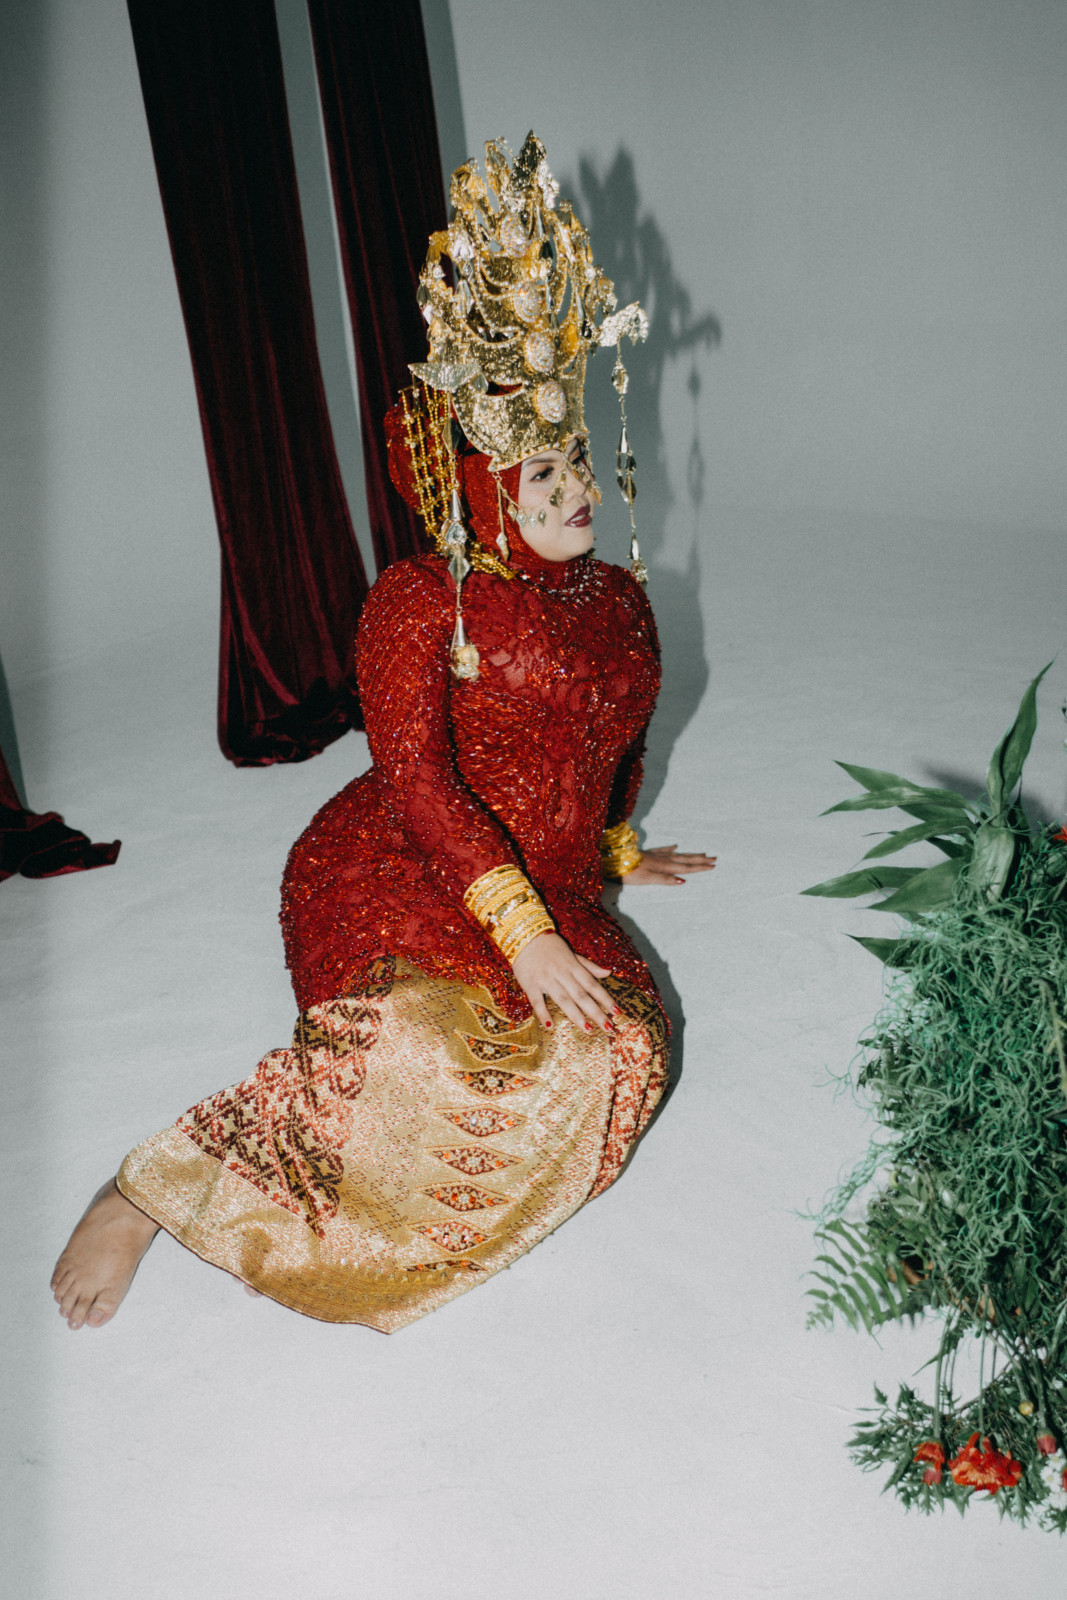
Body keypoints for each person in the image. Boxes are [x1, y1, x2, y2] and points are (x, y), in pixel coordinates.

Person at [50, 133, 714, 1334]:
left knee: (624, 1058)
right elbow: (417, 781)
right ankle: (151, 1190)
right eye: (539, 473)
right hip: (407, 865)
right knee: (417, 1053)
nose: (575, 490)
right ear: (478, 485)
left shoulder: (617, 599)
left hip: (552, 888)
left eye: (575, 460)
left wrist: (615, 850)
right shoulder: (418, 602)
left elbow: (609, 744)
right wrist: (521, 934)